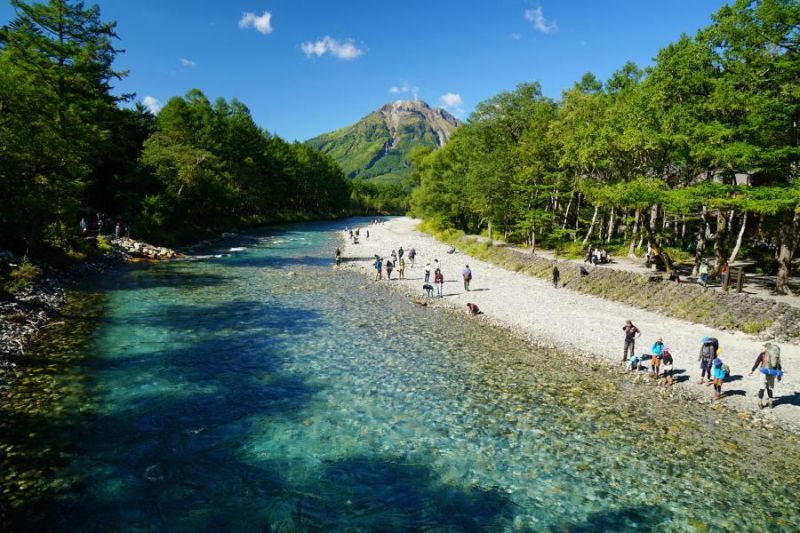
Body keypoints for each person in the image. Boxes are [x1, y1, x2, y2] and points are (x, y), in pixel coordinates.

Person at [749, 343, 783, 409]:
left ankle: (760, 403)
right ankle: (770, 403)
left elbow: (757, 363)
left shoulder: (762, 354)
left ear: (766, 348)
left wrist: (752, 370)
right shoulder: (775, 355)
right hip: (772, 373)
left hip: (764, 372)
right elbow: (779, 365)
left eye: (764, 347)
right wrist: (779, 376)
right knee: (769, 388)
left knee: (762, 388)